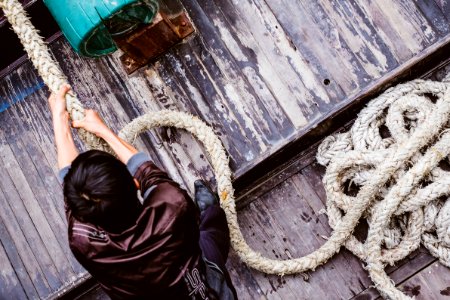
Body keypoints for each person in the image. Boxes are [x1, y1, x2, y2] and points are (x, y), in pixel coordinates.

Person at [49, 85, 237, 299]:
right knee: (209, 235)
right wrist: (103, 131)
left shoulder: (82, 241)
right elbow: (146, 170)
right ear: (135, 184)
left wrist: (59, 120)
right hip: (203, 289)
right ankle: (211, 212)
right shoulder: (172, 205)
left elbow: (69, 184)